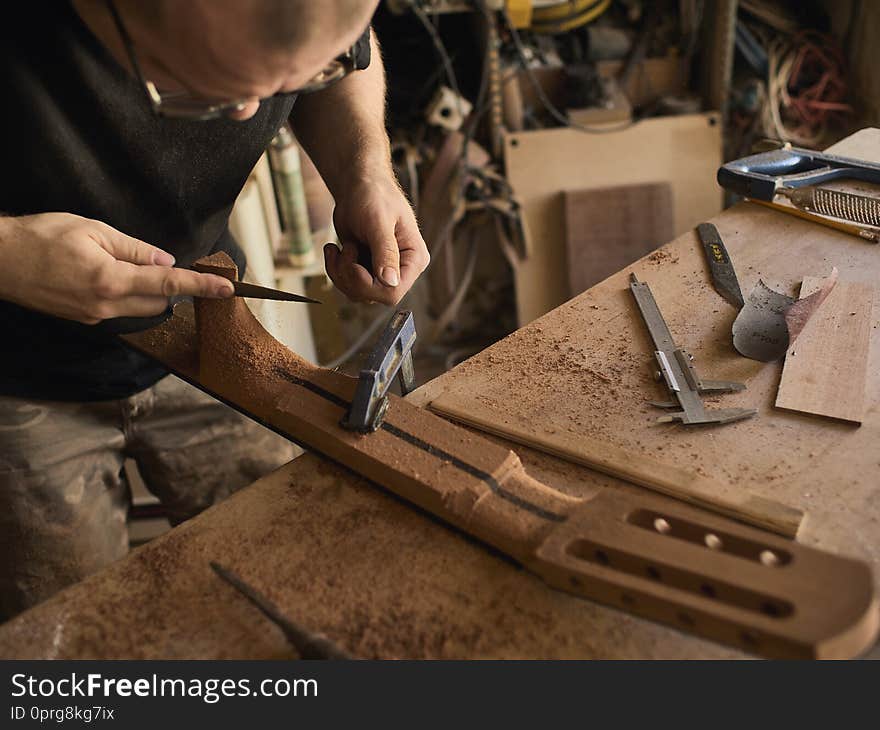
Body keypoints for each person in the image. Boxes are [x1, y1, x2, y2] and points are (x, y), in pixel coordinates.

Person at [0, 0, 429, 620]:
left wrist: (365, 167)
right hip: (15, 380)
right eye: (200, 92)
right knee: (70, 639)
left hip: (203, 330)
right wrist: (11, 256)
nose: (249, 116)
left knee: (302, 576)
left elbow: (347, 55)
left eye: (285, 83)